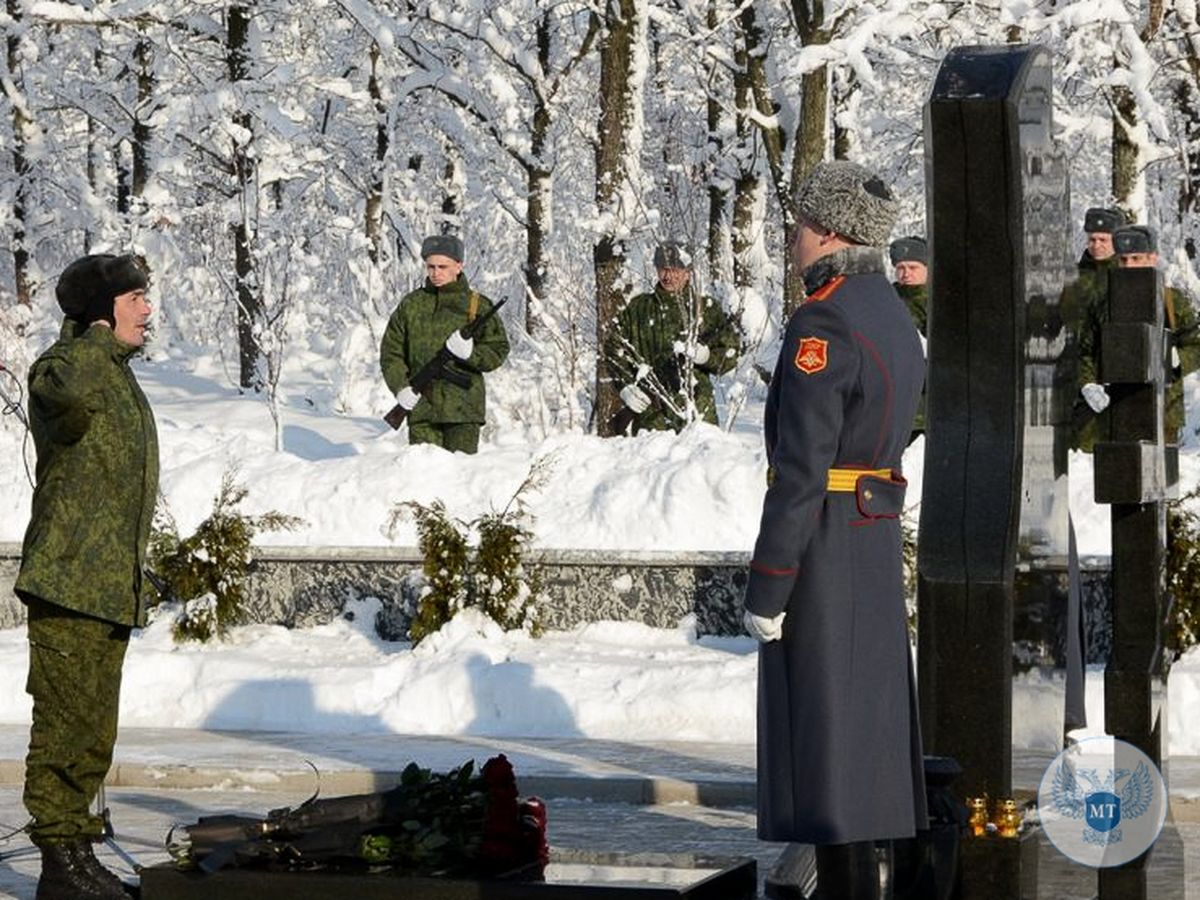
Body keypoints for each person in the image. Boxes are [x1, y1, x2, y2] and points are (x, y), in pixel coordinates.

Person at [742, 162, 927, 900]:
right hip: (874, 538)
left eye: (799, 224)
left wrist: (770, 581)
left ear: (826, 231)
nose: (792, 237)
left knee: (827, 749)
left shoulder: (824, 318)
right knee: (866, 743)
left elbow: (801, 467)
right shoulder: (891, 312)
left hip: (824, 545)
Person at [15, 254, 157, 900]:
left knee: (93, 731)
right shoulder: (65, 367)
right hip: (67, 581)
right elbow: (61, 394)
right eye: (134, 299)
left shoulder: (119, 379)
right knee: (63, 725)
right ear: (102, 312)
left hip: (104, 587)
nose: (147, 310)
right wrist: (95, 339)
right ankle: (58, 863)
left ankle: (75, 852)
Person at [380, 235, 510, 454]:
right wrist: (401, 387)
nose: (436, 273)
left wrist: (471, 354)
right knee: (424, 478)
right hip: (422, 409)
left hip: (463, 411)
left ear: (458, 266)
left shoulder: (476, 305)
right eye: (431, 267)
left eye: (443, 266)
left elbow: (498, 349)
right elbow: (391, 352)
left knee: (461, 479)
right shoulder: (411, 305)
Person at [1076, 224, 1200, 448]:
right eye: (1123, 260)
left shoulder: (1173, 301)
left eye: (1136, 258)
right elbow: (1087, 350)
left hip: (1163, 408)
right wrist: (1088, 383)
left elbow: (1196, 344)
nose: (1129, 266)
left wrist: (1179, 360)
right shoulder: (1103, 302)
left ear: (1152, 258)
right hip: (1114, 408)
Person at [605, 241, 741, 433]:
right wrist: (625, 386)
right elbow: (614, 348)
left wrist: (707, 357)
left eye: (674, 269)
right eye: (662, 269)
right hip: (652, 419)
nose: (667, 276)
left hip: (698, 415)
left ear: (688, 272)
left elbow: (730, 353)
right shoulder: (639, 309)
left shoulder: (705, 309)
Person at [888, 235, 928, 334]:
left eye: (913, 268)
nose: (906, 274)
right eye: (901, 268)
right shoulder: (888, 299)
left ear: (927, 268)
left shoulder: (945, 299)